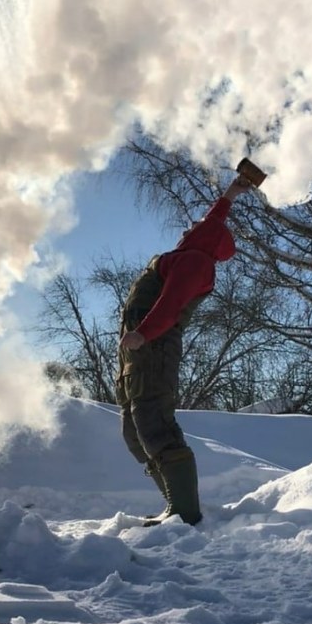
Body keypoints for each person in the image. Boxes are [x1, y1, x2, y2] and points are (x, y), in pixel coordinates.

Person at [116, 167, 253, 526]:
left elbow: (171, 303)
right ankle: (173, 506)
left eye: (197, 226)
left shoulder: (195, 262)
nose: (189, 226)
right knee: (134, 430)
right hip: (139, 352)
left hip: (153, 348)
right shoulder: (189, 251)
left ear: (206, 238)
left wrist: (143, 333)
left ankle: (185, 513)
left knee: (153, 422)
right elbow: (213, 220)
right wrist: (231, 194)